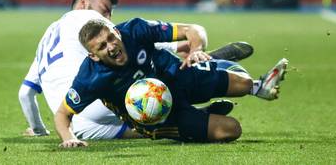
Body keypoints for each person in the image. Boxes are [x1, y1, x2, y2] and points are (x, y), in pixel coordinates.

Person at [18, 0, 254, 138]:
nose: (108, 18)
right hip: (111, 95)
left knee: (139, 126)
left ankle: (182, 116)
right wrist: (175, 45)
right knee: (148, 84)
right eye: (105, 10)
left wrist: (39, 131)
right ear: (84, 4)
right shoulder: (89, 20)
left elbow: (25, 93)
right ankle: (198, 69)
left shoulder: (46, 40)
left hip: (80, 125)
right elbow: (131, 39)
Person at [54, 17, 288, 147]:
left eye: (110, 38)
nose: (112, 46)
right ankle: (201, 106)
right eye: (102, 47)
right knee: (231, 129)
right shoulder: (90, 77)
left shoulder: (135, 29)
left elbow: (193, 29)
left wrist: (196, 49)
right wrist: (69, 139)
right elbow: (62, 114)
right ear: (93, 55)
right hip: (157, 117)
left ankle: (259, 87)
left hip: (174, 75)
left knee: (243, 82)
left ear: (116, 31)